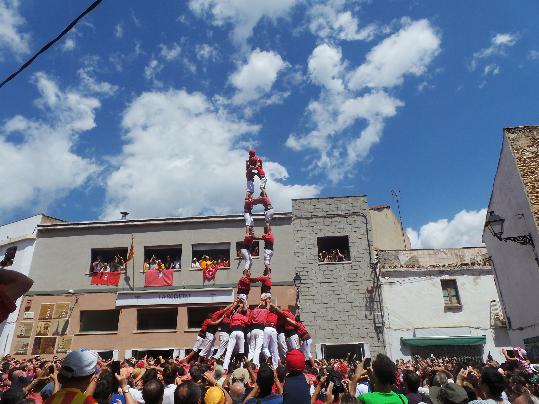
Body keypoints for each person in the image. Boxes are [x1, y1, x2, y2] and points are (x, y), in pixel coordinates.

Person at [223, 300, 250, 372]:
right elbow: (248, 319)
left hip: (233, 332)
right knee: (241, 351)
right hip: (240, 332)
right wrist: (244, 305)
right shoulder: (244, 317)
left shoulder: (234, 315)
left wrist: (236, 304)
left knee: (229, 351)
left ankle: (225, 367)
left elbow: (229, 312)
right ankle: (241, 367)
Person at [247, 301, 269, 368]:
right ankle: (255, 364)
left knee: (251, 348)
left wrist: (260, 304)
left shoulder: (254, 311)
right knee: (258, 348)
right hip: (260, 330)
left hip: (253, 330)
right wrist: (267, 301)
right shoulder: (265, 311)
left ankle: (249, 363)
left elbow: (249, 320)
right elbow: (268, 307)